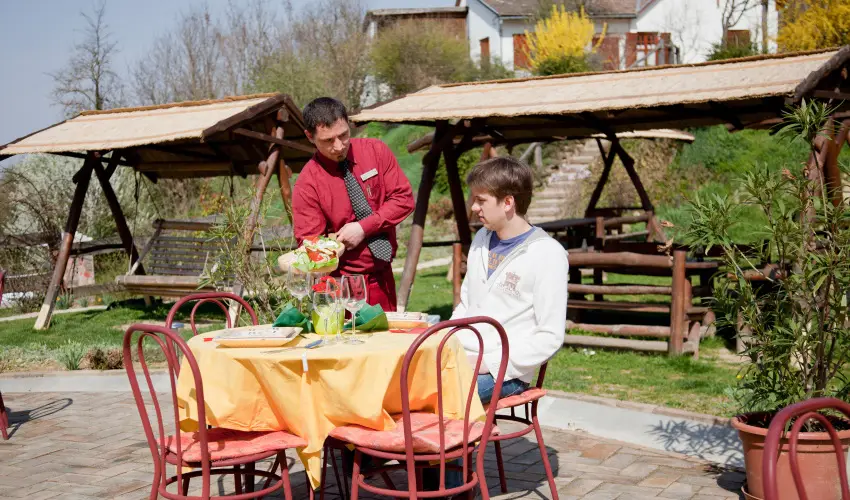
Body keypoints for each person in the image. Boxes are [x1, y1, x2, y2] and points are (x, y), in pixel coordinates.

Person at [431, 156, 568, 495]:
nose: (474, 207)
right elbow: (466, 304)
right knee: (410, 385)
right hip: (464, 356)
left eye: (481, 199)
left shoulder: (547, 255)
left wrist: (494, 369)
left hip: (507, 371)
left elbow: (550, 336)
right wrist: (443, 340)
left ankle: (454, 491)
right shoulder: (481, 240)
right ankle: (416, 476)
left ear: (508, 203)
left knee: (448, 400)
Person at [292, 97, 415, 311]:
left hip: (383, 279)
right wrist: (332, 246)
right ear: (310, 137)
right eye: (328, 140)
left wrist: (363, 228)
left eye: (343, 135)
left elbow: (403, 199)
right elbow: (310, 244)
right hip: (338, 287)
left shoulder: (376, 151)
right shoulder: (307, 183)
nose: (339, 146)